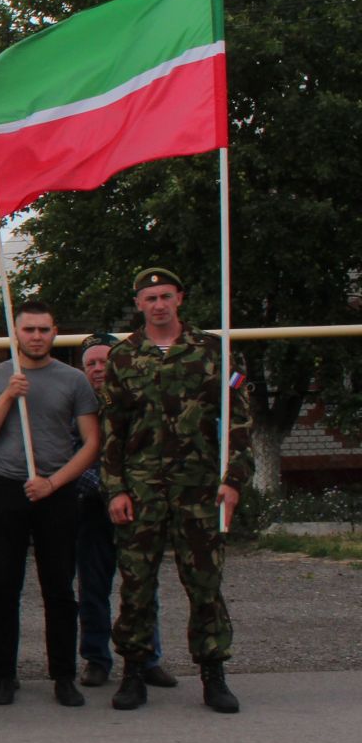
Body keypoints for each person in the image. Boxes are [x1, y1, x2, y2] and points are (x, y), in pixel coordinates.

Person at [100, 267, 253, 714]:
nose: (159, 305)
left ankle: (213, 674)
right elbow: (113, 429)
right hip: (142, 489)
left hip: (199, 488)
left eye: (166, 296)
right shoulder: (123, 357)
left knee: (205, 582)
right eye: (150, 298)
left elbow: (239, 421)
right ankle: (133, 672)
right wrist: (115, 490)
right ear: (139, 304)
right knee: (136, 585)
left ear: (180, 299)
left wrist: (234, 480)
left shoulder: (213, 352)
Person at [0, 299, 100, 707]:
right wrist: (8, 396)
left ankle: (62, 674)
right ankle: (2, 674)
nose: (37, 337)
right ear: (17, 334)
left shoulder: (74, 380)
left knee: (59, 587)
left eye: (44, 330)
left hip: (55, 491)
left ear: (54, 332)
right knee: (2, 586)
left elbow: (92, 443)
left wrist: (53, 482)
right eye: (29, 330)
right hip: (6, 488)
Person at [73, 334, 171, 688]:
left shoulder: (141, 400)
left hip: (139, 505)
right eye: (92, 365)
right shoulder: (80, 406)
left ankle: (146, 657)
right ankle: (97, 659)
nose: (99, 370)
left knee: (142, 584)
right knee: (93, 587)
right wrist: (105, 489)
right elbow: (74, 453)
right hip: (93, 508)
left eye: (105, 361)